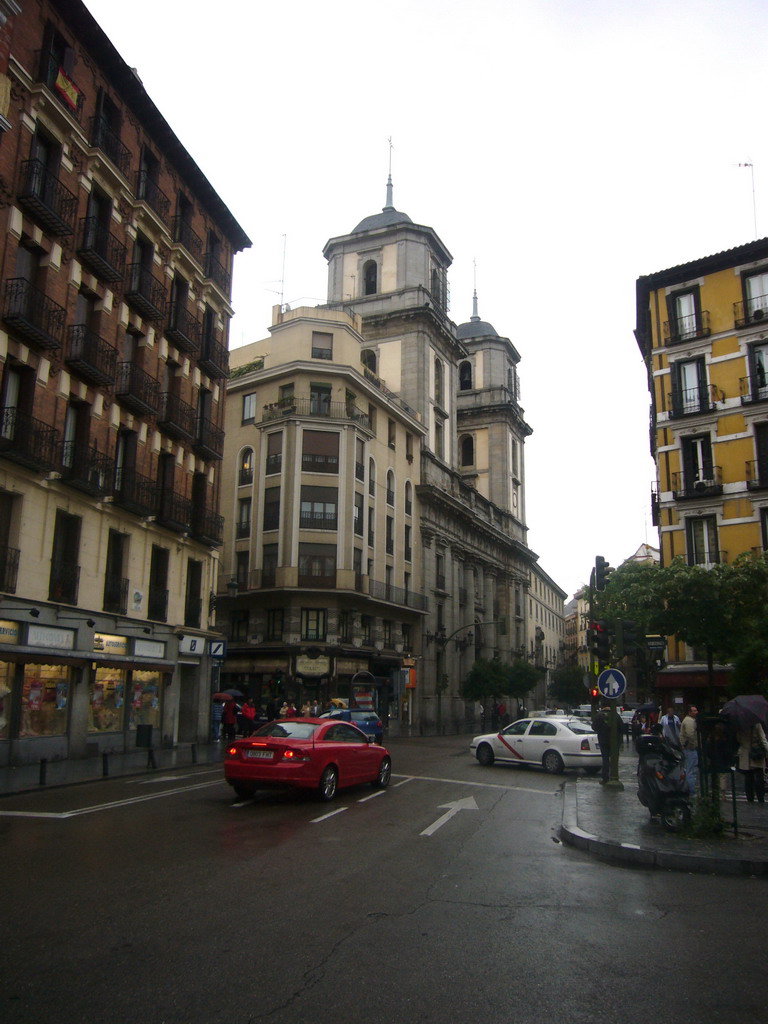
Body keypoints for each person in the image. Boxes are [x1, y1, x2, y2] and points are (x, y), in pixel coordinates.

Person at [736, 721, 768, 803]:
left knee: (748, 777)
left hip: (745, 753)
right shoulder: (757, 724)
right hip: (756, 752)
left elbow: (738, 738)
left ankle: (750, 798)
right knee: (759, 777)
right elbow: (763, 739)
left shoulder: (741, 724)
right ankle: (760, 797)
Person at [592, 705, 617, 784]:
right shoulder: (615, 715)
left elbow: (594, 727)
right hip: (614, 741)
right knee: (614, 759)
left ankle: (605, 778)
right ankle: (613, 775)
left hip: (603, 739)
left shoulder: (598, 716)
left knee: (605, 759)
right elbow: (621, 727)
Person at [679, 705, 699, 796]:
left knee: (689, 769)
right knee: (691, 770)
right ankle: (691, 790)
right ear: (689, 712)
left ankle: (689, 789)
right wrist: (694, 744)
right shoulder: (689, 721)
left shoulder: (689, 720)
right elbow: (690, 735)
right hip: (690, 749)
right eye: (694, 711)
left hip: (688, 748)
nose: (696, 712)